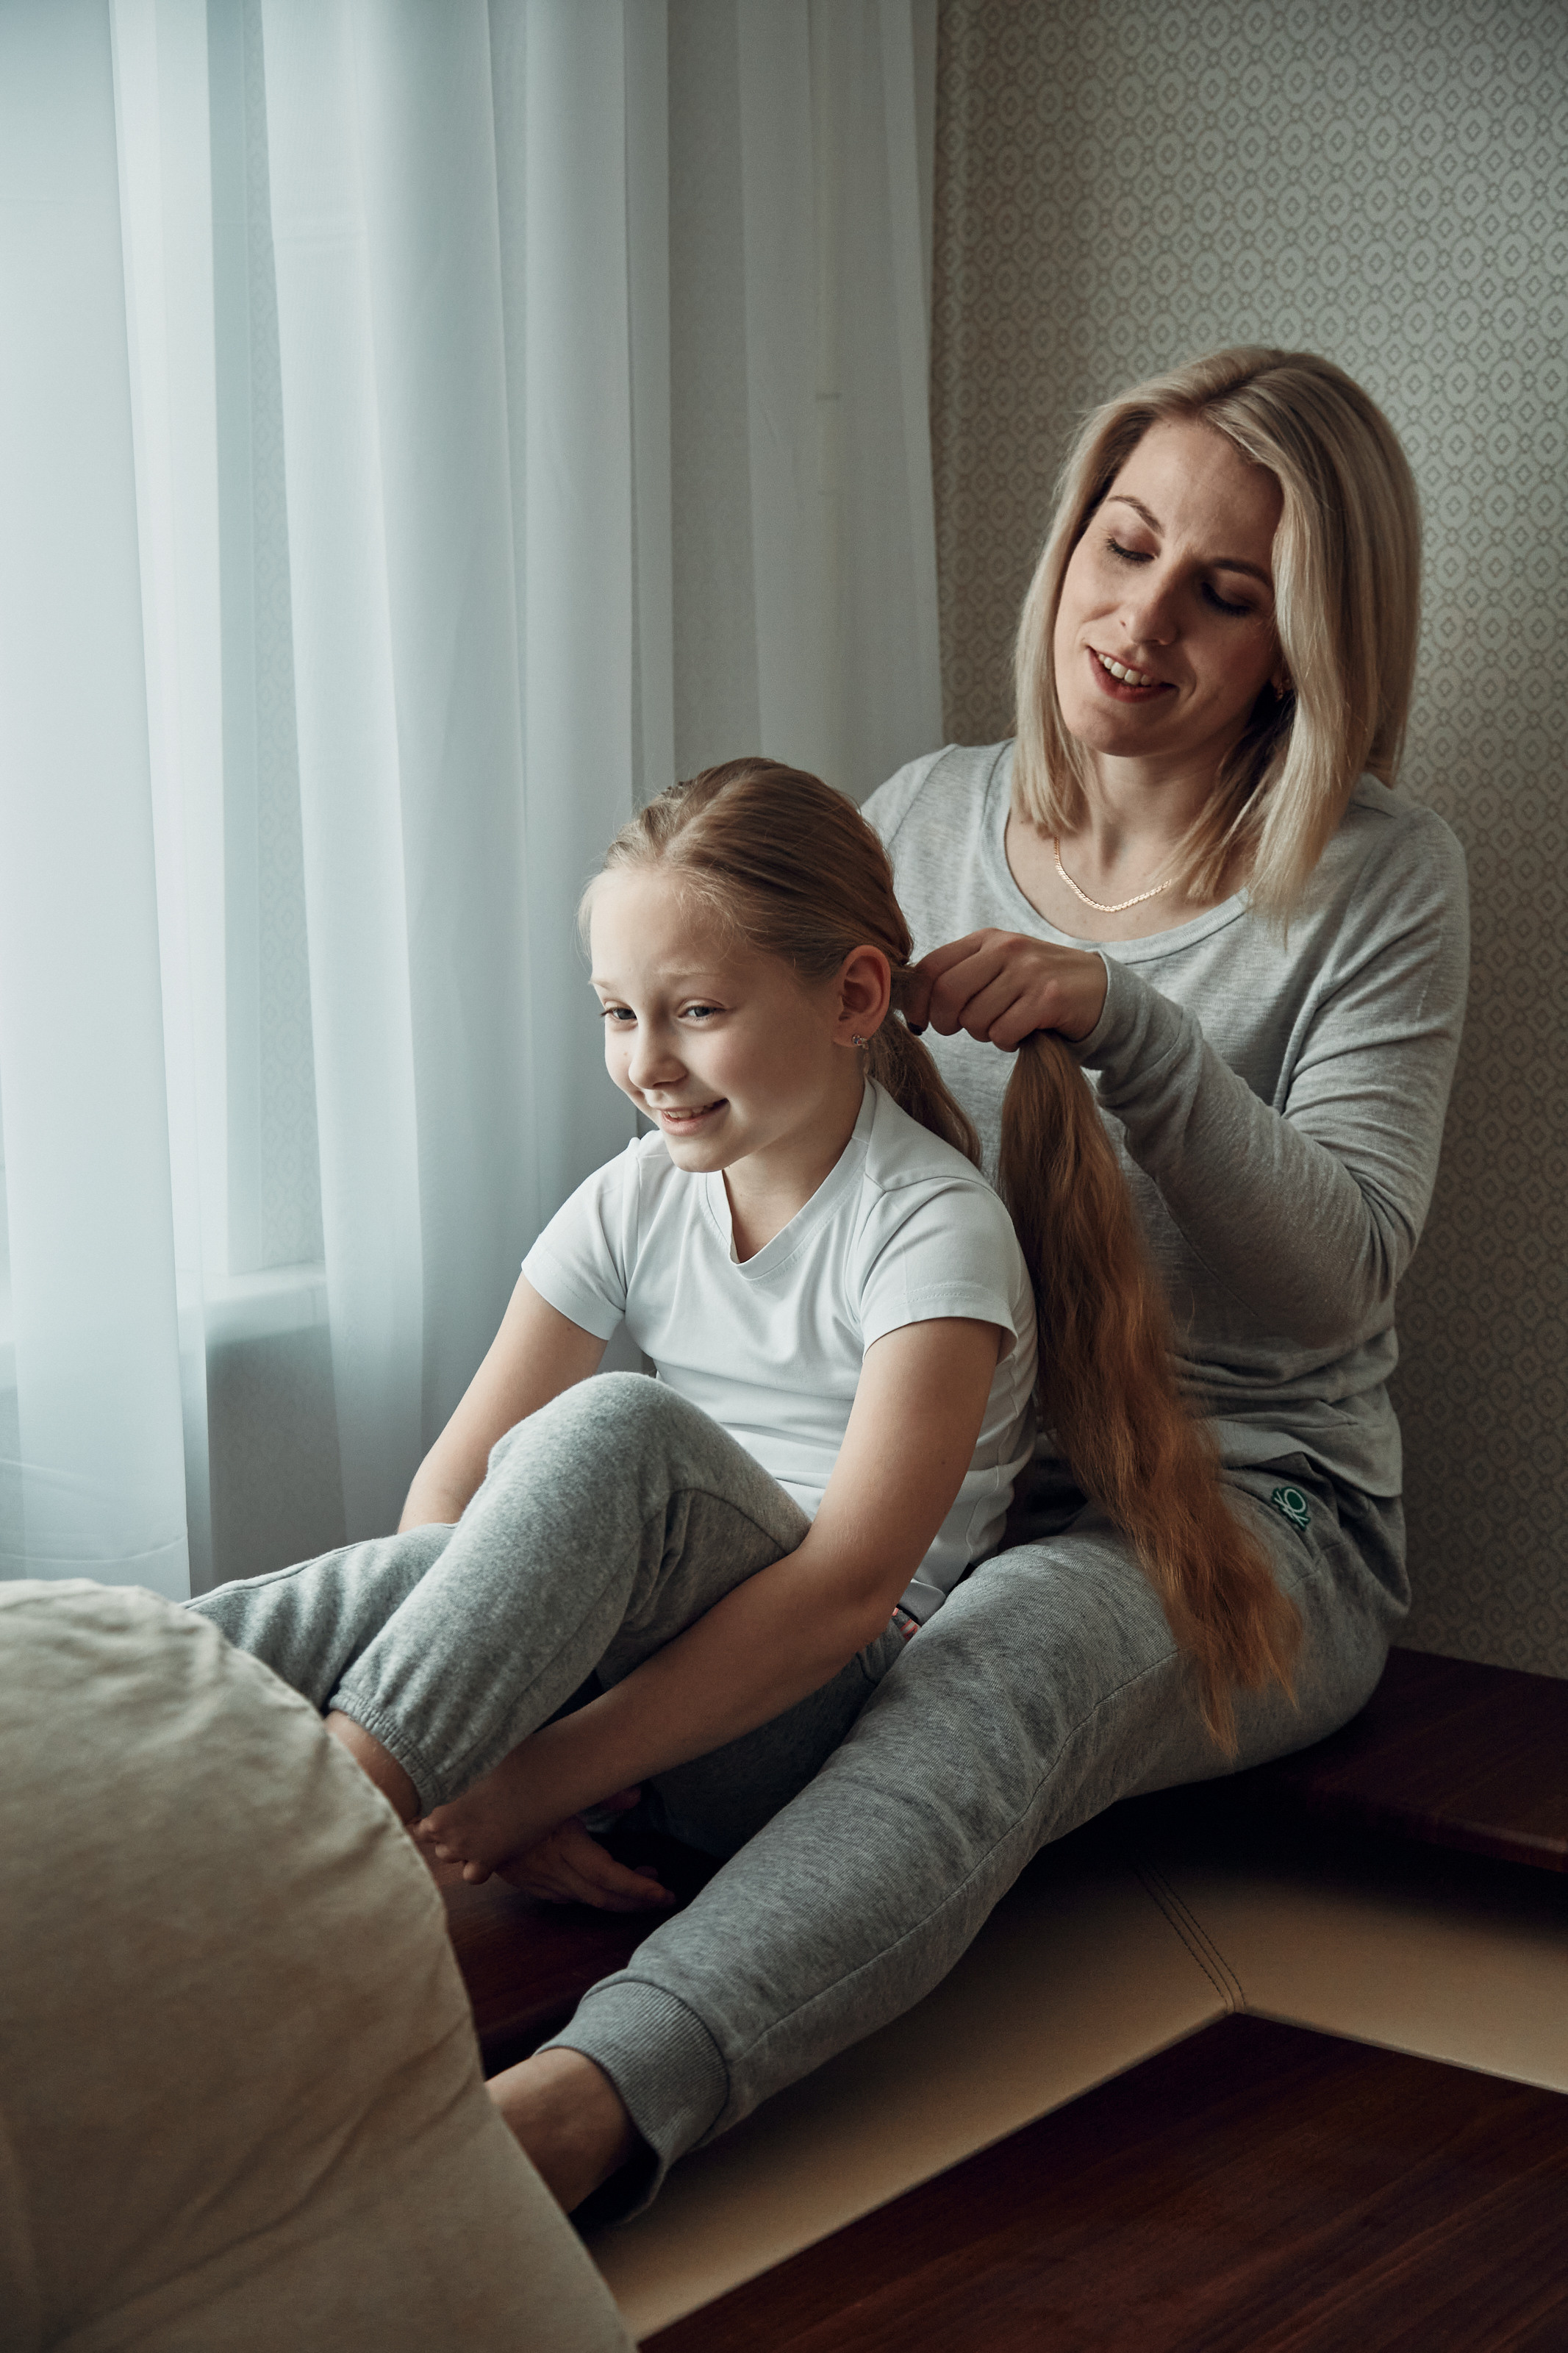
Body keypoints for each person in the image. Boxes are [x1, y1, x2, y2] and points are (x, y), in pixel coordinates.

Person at [475, 347, 1469, 2218]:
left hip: (1252, 1514)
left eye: (1224, 593)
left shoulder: (1379, 879)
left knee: (1001, 1662)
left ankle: (588, 2107)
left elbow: (1336, 1287)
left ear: (1299, 646)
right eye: (1121, 544)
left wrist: (1134, 1028)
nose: (1141, 618)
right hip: (903, 1493)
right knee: (604, 1489)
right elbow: (742, 1164)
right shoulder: (919, 814)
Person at [190, 752, 1296, 2208]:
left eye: (695, 1012)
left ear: (848, 1000)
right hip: (617, 1691)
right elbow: (447, 1495)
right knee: (437, 1548)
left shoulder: (929, 1234)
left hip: (792, 1715)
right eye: (617, 1013)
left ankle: (336, 1832)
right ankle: (83, 1714)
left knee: (615, 1432)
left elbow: (843, 1595)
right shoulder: (637, 1191)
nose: (646, 1058)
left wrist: (530, 1784)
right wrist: (509, 1731)